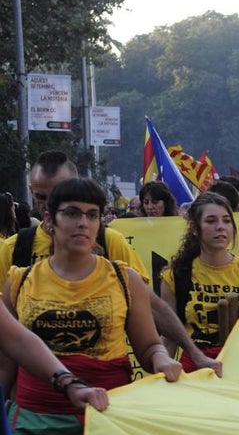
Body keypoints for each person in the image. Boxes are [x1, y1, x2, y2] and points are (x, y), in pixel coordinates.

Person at [3, 178, 180, 435]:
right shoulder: (19, 282)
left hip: (109, 423)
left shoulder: (125, 279)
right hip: (34, 429)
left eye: (92, 214)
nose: (83, 223)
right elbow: (7, 364)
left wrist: (162, 359)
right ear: (48, 219)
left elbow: (149, 346)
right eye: (72, 213)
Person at [4, 151, 221, 376]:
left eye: (90, 214)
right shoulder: (14, 258)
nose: (81, 223)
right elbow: (8, 345)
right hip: (35, 404)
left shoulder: (113, 248)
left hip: (107, 397)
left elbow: (151, 309)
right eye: (42, 197)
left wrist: (186, 354)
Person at [160, 192, 239, 373]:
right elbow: (170, 337)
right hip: (196, 373)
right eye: (211, 221)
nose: (220, 227)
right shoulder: (176, 277)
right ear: (195, 228)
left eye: (226, 220)